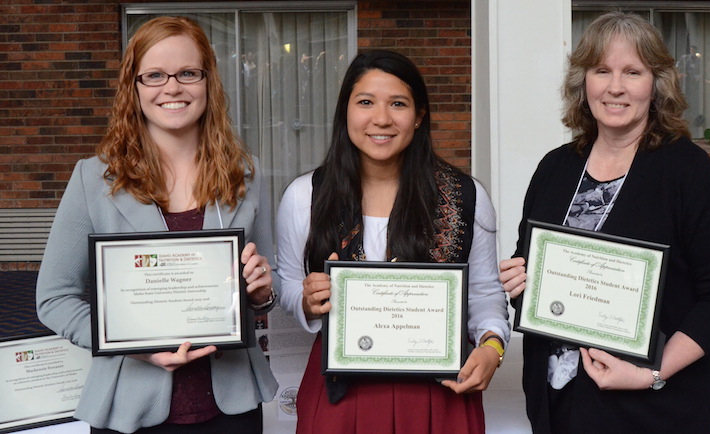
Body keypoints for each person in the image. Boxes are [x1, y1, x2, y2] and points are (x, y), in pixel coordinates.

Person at [498, 12, 710, 433]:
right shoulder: (555, 168)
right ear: (584, 82)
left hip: (653, 410)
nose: (615, 87)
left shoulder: (689, 172)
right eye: (602, 71)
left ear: (657, 84)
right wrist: (520, 281)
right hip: (557, 405)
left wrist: (653, 373)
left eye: (632, 72)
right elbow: (532, 271)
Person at [36, 16, 278, 434]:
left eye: (188, 73)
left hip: (233, 405)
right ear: (134, 86)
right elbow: (54, 298)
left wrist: (261, 291)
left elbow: (263, 292)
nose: (172, 87)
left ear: (208, 82)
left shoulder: (245, 175)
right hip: (131, 405)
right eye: (154, 76)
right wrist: (132, 346)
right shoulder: (93, 179)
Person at [276, 50, 510, 433]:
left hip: (440, 397)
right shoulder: (306, 195)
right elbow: (286, 282)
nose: (381, 118)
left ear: (419, 115)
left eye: (398, 104)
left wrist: (491, 347)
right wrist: (306, 299)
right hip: (341, 395)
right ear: (346, 112)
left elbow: (484, 294)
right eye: (365, 102)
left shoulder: (465, 196)